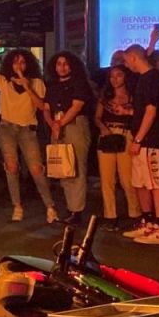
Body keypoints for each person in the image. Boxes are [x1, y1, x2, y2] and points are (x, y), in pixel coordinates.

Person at [0, 41, 52, 222]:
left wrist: (26, 85)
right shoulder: (4, 82)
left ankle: (50, 206)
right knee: (11, 167)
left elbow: (42, 106)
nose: (18, 66)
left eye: (22, 62)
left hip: (27, 129)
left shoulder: (36, 82)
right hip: (7, 128)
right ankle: (17, 206)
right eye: (15, 62)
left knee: (36, 169)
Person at [122, 43, 159, 244]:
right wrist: (130, 113)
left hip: (151, 140)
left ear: (133, 57)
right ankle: (149, 221)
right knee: (141, 182)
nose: (126, 65)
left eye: (126, 60)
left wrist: (139, 139)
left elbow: (151, 112)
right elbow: (145, 110)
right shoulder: (144, 79)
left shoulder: (152, 78)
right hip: (142, 139)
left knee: (155, 183)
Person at [42, 51, 95, 222]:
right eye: (59, 64)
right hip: (57, 126)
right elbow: (46, 108)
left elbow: (77, 107)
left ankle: (77, 210)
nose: (62, 67)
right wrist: (53, 124)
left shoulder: (80, 83)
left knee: (77, 167)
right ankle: (70, 206)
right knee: (63, 167)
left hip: (74, 125)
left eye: (65, 64)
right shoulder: (51, 85)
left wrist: (60, 123)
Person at [94, 65, 141, 231]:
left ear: (125, 77)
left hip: (126, 135)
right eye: (112, 76)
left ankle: (135, 214)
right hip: (108, 135)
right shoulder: (105, 96)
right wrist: (103, 128)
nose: (115, 79)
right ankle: (110, 216)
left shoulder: (133, 96)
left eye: (119, 76)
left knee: (127, 178)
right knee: (107, 179)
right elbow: (97, 117)